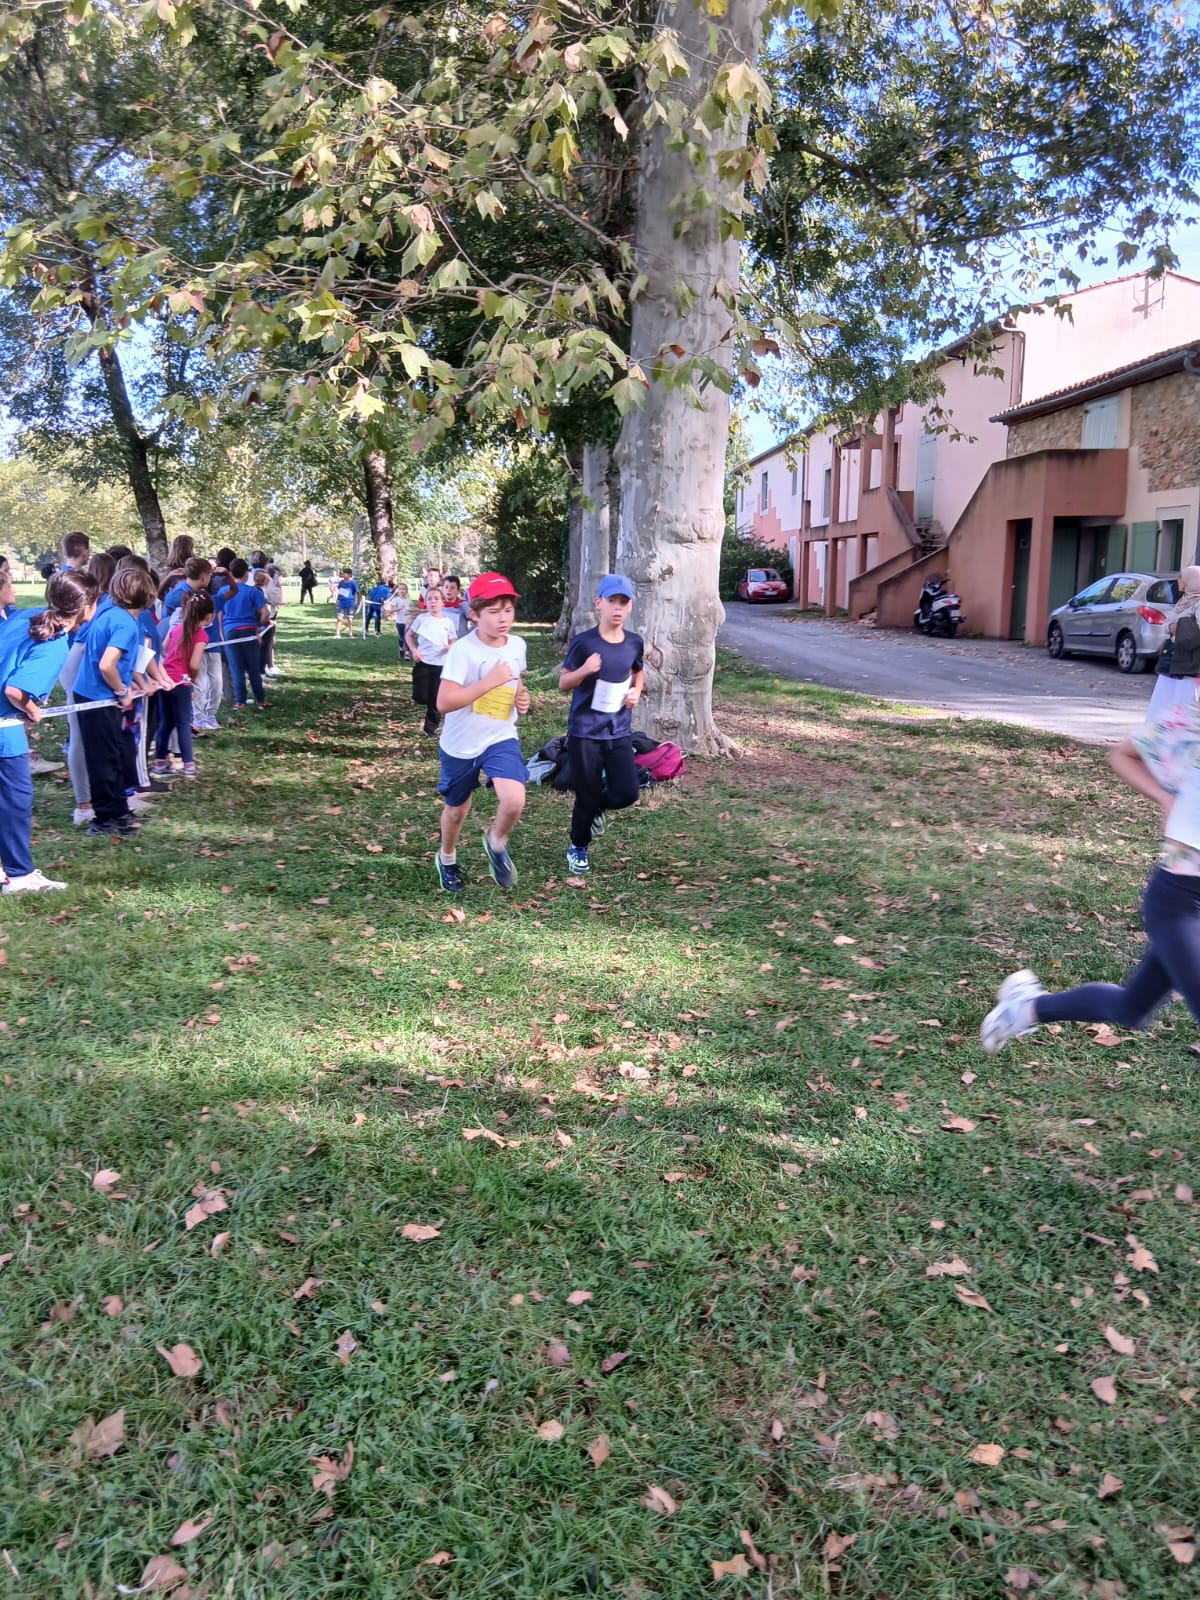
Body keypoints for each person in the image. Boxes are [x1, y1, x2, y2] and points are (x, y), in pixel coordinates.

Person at [982, 700, 1200, 1052]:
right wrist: (1166, 799)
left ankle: (1025, 1008)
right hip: (1180, 904)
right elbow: (1124, 755)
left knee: (1131, 1009)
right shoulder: (1190, 720)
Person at [0, 570, 99, 891]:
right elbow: (15, 691)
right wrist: (32, 710)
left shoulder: (26, 617)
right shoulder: (54, 642)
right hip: (4, 734)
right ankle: (20, 876)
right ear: (87, 607)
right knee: (15, 802)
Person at [434, 572, 531, 892]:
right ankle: (447, 858)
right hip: (461, 744)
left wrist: (521, 696)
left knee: (514, 799)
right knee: (457, 810)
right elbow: (444, 702)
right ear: (474, 614)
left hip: (499, 736)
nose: (503, 618)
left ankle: (497, 843)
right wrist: (488, 683)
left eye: (508, 610)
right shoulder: (463, 651)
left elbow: (515, 679)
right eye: (493, 611)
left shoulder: (517, 645)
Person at [558, 573, 645, 876]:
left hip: (619, 730)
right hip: (585, 732)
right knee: (587, 793)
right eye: (612, 601)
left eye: (623, 602)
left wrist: (636, 690)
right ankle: (578, 847)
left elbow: (638, 671)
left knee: (627, 793)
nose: (617, 607)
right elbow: (564, 682)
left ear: (630, 606)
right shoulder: (585, 642)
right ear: (599, 603)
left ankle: (596, 807)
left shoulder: (634, 642)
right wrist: (585, 669)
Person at [74, 563, 149, 838]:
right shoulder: (125, 624)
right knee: (103, 761)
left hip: (97, 696)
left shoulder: (110, 611)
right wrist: (121, 691)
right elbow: (107, 664)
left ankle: (120, 810)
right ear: (147, 597)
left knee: (114, 754)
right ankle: (104, 819)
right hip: (98, 698)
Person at [153, 591, 213, 780]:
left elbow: (164, 648)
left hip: (164, 680)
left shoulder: (176, 629)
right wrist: (193, 678)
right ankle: (188, 765)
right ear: (209, 616)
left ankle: (159, 763)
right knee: (184, 724)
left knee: (166, 723)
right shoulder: (201, 635)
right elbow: (194, 664)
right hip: (181, 682)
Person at [1148, 565, 1200, 719]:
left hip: (1189, 660)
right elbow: (1167, 624)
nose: (1179, 581)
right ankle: (1157, 730)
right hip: (1172, 655)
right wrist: (1171, 627)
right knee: (1164, 700)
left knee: (1184, 702)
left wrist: (1180, 627)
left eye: (1181, 578)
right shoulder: (1184, 601)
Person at [406, 583, 458, 736]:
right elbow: (409, 635)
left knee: (436, 699)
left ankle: (430, 728)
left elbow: (453, 640)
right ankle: (425, 699)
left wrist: (450, 647)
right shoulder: (422, 619)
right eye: (429, 599)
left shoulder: (448, 622)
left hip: (441, 665)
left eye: (436, 598)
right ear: (426, 602)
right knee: (421, 696)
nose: (433, 601)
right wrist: (414, 650)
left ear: (442, 602)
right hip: (423, 662)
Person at [219, 558, 269, 710]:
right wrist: (258, 627)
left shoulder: (223, 591)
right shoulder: (253, 592)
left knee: (236, 668)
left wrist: (222, 632)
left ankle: (240, 701)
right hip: (248, 631)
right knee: (253, 667)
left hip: (230, 632)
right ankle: (260, 700)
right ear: (246, 574)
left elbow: (219, 614)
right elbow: (265, 613)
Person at [383, 581, 412, 661]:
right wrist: (398, 609)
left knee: (407, 637)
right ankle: (401, 648)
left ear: (406, 591)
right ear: (398, 591)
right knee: (402, 637)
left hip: (407, 621)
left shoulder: (409, 600)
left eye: (403, 589)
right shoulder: (396, 600)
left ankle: (407, 654)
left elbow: (411, 610)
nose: (402, 591)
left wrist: (413, 616)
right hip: (399, 621)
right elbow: (391, 611)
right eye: (400, 589)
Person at [334, 569, 359, 637]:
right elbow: (340, 591)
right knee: (339, 618)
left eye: (345, 574)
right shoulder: (341, 582)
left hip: (350, 602)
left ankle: (350, 633)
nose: (343, 575)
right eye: (343, 574)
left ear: (349, 575)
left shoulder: (353, 583)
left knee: (350, 619)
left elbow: (357, 593)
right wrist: (337, 599)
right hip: (342, 602)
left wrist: (357, 602)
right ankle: (337, 633)